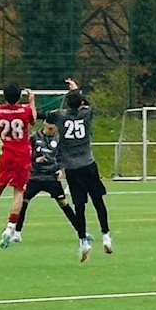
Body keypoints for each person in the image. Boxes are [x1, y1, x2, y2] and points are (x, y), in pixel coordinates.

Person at [44, 78, 111, 257]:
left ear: (67, 103)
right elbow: (86, 104)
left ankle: (83, 241)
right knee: (98, 201)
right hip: (88, 164)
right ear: (80, 103)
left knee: (79, 205)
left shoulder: (59, 115)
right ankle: (106, 236)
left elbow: (46, 117)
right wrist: (76, 91)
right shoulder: (86, 114)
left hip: (72, 168)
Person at [12, 119, 90, 258]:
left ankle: (81, 232)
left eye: (54, 124)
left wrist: (60, 169)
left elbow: (63, 156)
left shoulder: (59, 139)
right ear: (45, 123)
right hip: (35, 177)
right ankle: (17, 233)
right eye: (50, 124)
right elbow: (25, 153)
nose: (52, 127)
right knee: (23, 202)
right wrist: (33, 161)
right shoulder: (34, 138)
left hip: (51, 177)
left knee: (64, 203)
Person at [0, 83, 36, 247]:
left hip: (6, 153)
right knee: (19, 191)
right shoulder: (25, 110)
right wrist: (32, 101)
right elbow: (33, 119)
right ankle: (10, 227)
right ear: (20, 96)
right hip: (22, 154)